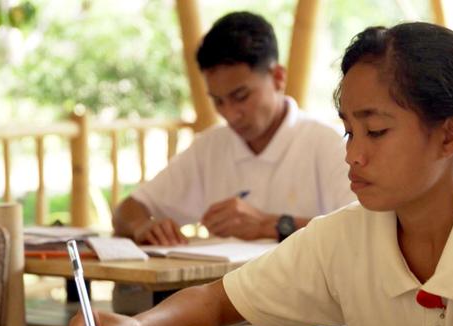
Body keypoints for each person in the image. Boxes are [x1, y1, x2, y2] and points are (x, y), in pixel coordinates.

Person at [65, 22, 453, 326]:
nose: (352, 154)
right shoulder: (347, 234)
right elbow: (216, 301)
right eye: (348, 130)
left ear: (450, 134)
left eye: (377, 131)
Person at [113, 11, 355, 245]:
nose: (230, 114)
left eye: (241, 96)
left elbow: (360, 228)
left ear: (278, 77)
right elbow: (127, 210)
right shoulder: (210, 147)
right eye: (218, 101)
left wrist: (267, 225)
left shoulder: (328, 144)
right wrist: (142, 227)